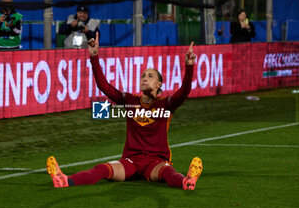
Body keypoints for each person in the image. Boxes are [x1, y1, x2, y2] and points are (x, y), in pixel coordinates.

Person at [46, 32, 203, 190]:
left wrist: (189, 67)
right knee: (101, 169)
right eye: (143, 75)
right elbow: (104, 86)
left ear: (158, 84)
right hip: (130, 162)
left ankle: (186, 181)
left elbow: (184, 91)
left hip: (156, 162)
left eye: (150, 76)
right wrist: (94, 57)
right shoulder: (130, 101)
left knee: (168, 172)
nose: (144, 78)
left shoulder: (166, 104)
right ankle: (66, 180)